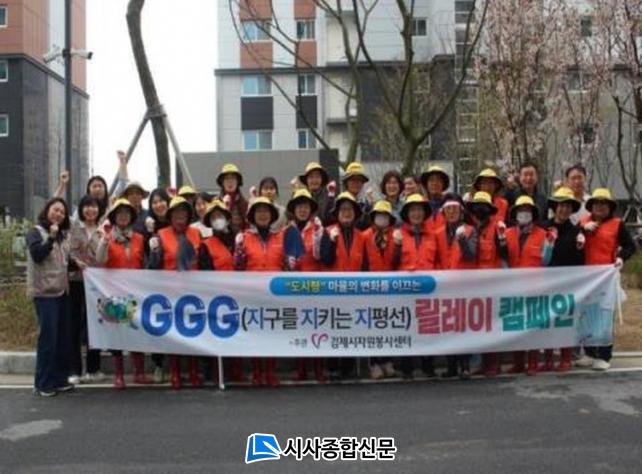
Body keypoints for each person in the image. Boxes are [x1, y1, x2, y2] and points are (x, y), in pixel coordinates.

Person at [576, 188, 637, 371]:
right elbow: (573, 243)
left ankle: (603, 355)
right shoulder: (583, 222)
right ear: (591, 206)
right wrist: (581, 230)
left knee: (603, 315)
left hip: (605, 277)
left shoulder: (617, 224)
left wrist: (620, 258)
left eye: (604, 204)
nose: (600, 207)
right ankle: (588, 352)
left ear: (609, 207)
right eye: (596, 204)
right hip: (586, 277)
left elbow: (630, 246)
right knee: (586, 315)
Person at [148, 197, 203, 389]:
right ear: (170, 216)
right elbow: (153, 266)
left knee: (194, 333)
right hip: (170, 293)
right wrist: (154, 251)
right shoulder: (161, 235)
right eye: (176, 212)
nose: (180, 215)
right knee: (173, 334)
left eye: (184, 212)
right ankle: (175, 373)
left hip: (194, 293)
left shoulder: (196, 234)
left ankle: (194, 371)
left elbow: (203, 262)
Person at [95, 199, 149, 389]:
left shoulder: (140, 239)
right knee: (117, 333)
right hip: (114, 294)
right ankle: (119, 375)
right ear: (114, 217)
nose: (123, 216)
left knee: (137, 331)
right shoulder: (107, 238)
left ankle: (139, 372)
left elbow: (145, 264)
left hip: (136, 293)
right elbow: (100, 259)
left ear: (132, 217)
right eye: (119, 213)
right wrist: (104, 240)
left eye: (126, 213)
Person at [234, 197, 289, 386]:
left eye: (266, 211)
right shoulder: (244, 237)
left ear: (272, 215)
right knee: (255, 334)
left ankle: (270, 371)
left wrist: (291, 262)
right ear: (253, 216)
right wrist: (238, 250)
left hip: (275, 295)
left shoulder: (280, 237)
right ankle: (257, 372)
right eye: (259, 212)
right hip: (252, 295)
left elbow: (287, 266)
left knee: (272, 333)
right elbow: (237, 268)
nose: (263, 215)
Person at [499, 195, 555, 376]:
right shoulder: (507, 233)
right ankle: (518, 363)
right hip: (513, 288)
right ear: (515, 214)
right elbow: (503, 259)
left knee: (532, 328)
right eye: (520, 210)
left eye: (527, 210)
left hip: (535, 288)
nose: (524, 214)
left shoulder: (543, 234)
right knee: (516, 327)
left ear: (533, 214)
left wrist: (550, 245)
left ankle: (532, 363)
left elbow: (545, 262)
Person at [27, 198, 75, 397]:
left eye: (62, 212)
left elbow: (65, 261)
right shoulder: (35, 232)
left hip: (62, 291)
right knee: (48, 338)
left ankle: (60, 379)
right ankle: (43, 383)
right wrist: (51, 238)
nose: (59, 214)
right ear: (47, 210)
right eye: (56, 210)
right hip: (45, 293)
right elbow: (37, 255)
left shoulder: (63, 236)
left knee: (62, 338)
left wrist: (79, 265)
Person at [321, 192, 367, 380]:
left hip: (354, 292)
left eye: (350, 209)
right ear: (337, 213)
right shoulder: (328, 232)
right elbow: (325, 259)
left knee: (351, 329)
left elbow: (365, 265)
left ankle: (348, 368)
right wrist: (331, 242)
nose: (346, 213)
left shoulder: (361, 236)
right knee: (333, 329)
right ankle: (332, 368)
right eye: (343, 209)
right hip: (333, 292)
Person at [392, 193, 437, 379]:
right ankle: (407, 368)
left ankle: (428, 366)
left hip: (429, 289)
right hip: (405, 290)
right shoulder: (398, 234)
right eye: (413, 210)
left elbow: (439, 261)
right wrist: (396, 246)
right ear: (407, 214)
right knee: (406, 326)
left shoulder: (433, 235)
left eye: (419, 210)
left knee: (428, 328)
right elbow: (392, 263)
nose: (416, 213)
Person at [434, 193, 477, 380]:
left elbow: (471, 255)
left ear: (461, 211)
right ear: (443, 212)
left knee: (463, 327)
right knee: (447, 327)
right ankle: (451, 366)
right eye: (448, 209)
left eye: (455, 208)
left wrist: (462, 240)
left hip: (464, 286)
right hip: (444, 287)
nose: (451, 212)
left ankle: (465, 365)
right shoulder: (437, 233)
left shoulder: (470, 230)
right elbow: (435, 258)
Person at [285, 189, 325, 382]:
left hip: (315, 286)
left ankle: (318, 369)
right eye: (299, 206)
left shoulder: (317, 228)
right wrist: (288, 262)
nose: (302, 210)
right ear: (293, 209)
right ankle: (301, 369)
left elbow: (322, 256)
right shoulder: (287, 231)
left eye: (306, 206)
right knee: (300, 328)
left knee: (317, 326)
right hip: (295, 287)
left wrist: (319, 237)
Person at [544, 187, 585, 372]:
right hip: (545, 282)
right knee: (546, 322)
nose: (564, 209)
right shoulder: (543, 227)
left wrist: (579, 248)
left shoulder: (576, 231)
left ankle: (566, 357)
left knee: (565, 321)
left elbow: (580, 261)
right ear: (555, 207)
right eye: (561, 205)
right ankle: (547, 359)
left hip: (568, 283)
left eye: (568, 206)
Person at [465, 191, 504, 376]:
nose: (480, 211)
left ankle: (493, 363)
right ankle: (478, 362)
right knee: (476, 325)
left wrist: (502, 240)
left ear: (490, 210)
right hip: (472, 285)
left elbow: (504, 255)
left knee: (493, 325)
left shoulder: (497, 228)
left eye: (484, 207)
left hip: (492, 285)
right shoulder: (468, 229)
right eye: (477, 207)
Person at [67, 195, 104, 385]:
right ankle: (74, 370)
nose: (91, 210)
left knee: (95, 325)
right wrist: (75, 262)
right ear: (81, 209)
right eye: (87, 206)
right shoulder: (74, 226)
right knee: (74, 325)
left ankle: (93, 369)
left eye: (94, 206)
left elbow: (104, 257)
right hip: (75, 281)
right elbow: (68, 251)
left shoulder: (103, 229)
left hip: (96, 284)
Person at [363, 200, 398, 379]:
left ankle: (387, 360)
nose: (382, 218)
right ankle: (374, 362)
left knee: (389, 324)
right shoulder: (365, 236)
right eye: (379, 215)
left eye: (385, 215)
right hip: (371, 286)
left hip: (391, 287)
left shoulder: (396, 235)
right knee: (372, 325)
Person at [141, 188, 172, 382]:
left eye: (162, 201)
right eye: (154, 202)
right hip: (156, 282)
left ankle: (178, 365)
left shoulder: (176, 222)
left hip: (176, 281)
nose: (158, 205)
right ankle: (159, 365)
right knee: (158, 323)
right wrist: (148, 235)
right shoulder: (147, 226)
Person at [216, 163, 248, 233]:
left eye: (233, 178)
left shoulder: (245, 203)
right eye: (227, 178)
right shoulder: (215, 203)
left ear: (238, 182)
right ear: (222, 182)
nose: (230, 181)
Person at [342, 162, 373, 230]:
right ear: (346, 182)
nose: (356, 183)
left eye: (359, 180)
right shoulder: (340, 203)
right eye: (353, 180)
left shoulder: (366, 204)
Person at [420, 165, 450, 232]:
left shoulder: (449, 204)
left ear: (443, 184)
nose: (435, 183)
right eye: (431, 180)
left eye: (438, 180)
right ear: (426, 184)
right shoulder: (420, 204)